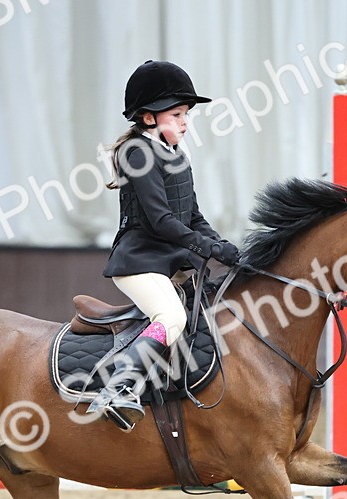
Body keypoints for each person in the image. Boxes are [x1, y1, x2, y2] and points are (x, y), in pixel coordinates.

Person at [89, 60, 241, 432]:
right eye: (177, 114)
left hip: (167, 261)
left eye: (186, 114)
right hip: (138, 261)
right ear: (149, 117)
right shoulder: (137, 152)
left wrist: (226, 247)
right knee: (172, 318)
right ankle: (118, 386)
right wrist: (208, 249)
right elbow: (161, 221)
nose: (186, 122)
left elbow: (192, 216)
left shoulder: (177, 155)